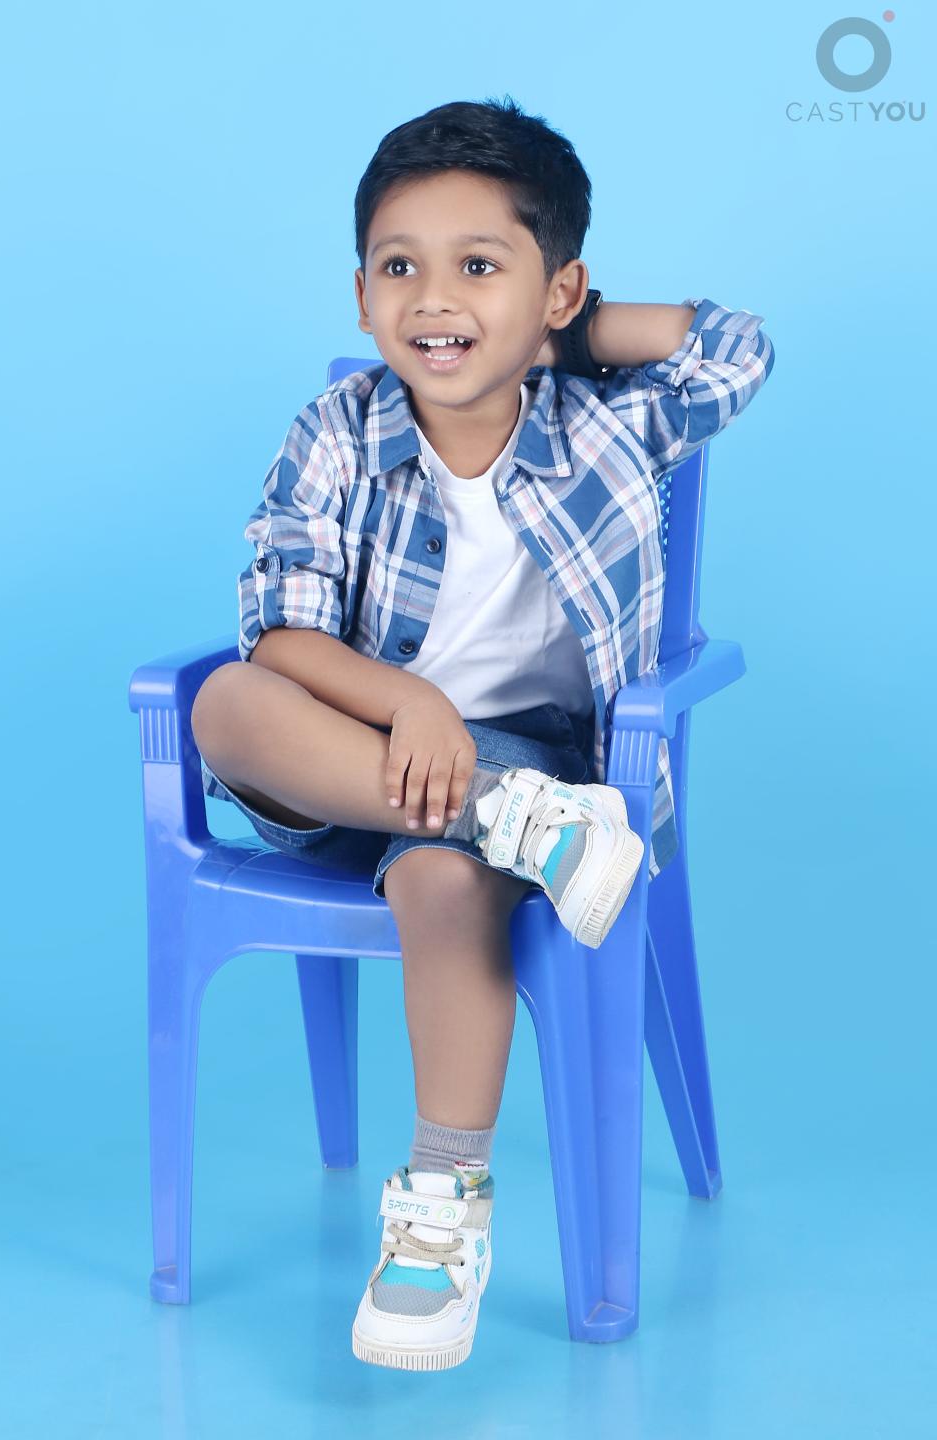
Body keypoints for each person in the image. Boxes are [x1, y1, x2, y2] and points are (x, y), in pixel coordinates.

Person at [189, 95, 776, 1371]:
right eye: (400, 268)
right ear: (360, 296)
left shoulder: (612, 422)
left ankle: (441, 1208)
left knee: (446, 880)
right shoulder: (335, 433)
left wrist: (570, 337)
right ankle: (508, 820)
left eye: (479, 267)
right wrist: (411, 702)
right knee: (224, 701)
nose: (435, 300)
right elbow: (281, 631)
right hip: (357, 751)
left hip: (547, 766)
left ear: (556, 290)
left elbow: (736, 349)